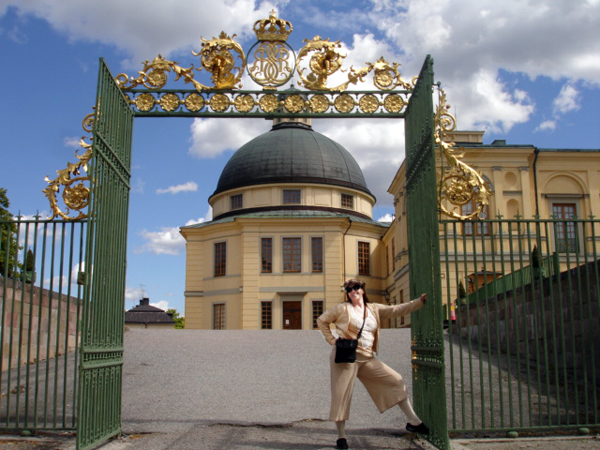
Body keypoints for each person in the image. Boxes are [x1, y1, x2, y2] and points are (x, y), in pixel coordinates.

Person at [317, 278, 429, 450]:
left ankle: (414, 421)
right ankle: (341, 438)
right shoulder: (342, 308)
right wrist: (331, 339)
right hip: (346, 357)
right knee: (342, 396)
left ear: (362, 290)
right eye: (349, 289)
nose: (353, 291)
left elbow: (396, 310)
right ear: (347, 294)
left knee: (395, 380)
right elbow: (322, 320)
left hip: (367, 357)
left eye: (356, 288)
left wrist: (419, 302)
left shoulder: (374, 308)